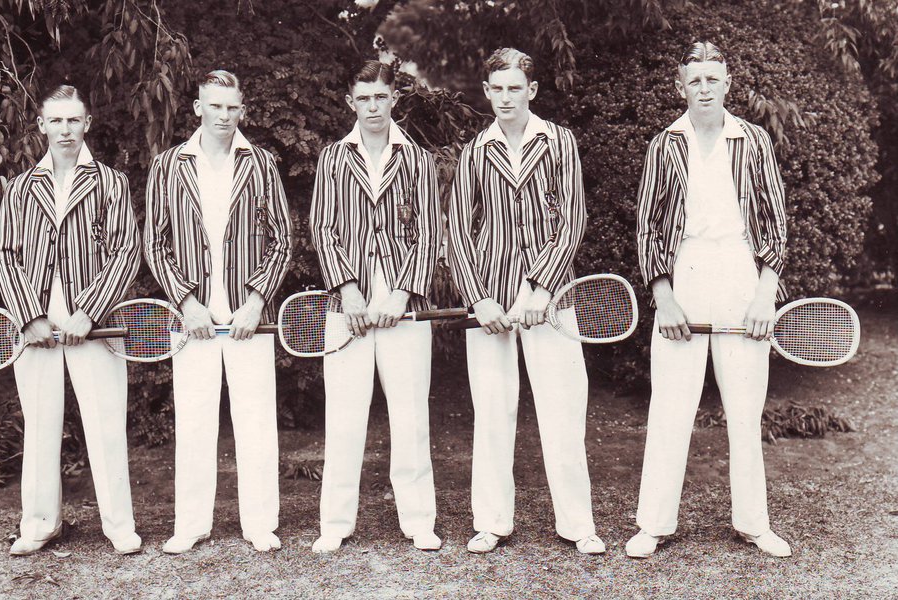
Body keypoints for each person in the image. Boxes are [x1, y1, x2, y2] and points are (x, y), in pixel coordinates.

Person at [627, 41, 791, 559]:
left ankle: (753, 523)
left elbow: (775, 225)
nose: (703, 88)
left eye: (712, 79)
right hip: (686, 273)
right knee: (671, 407)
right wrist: (664, 297)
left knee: (745, 409)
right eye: (693, 80)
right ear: (680, 86)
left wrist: (765, 293)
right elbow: (649, 228)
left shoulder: (754, 141)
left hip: (742, 273)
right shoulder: (664, 144)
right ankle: (653, 524)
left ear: (727, 84)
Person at [446, 48, 603, 555]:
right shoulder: (474, 151)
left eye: (516, 88)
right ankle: (492, 521)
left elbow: (572, 220)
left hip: (550, 297)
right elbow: (457, 234)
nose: (506, 97)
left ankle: (578, 525)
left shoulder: (559, 141)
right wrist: (480, 299)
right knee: (492, 412)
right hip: (490, 299)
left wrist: (542, 287)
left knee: (562, 408)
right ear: (486, 92)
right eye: (498, 89)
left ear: (531, 91)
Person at [144, 70, 292, 554]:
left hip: (248, 319)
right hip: (193, 322)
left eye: (232, 107)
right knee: (194, 423)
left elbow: (282, 239)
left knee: (255, 423)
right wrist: (186, 302)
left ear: (242, 109)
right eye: (215, 106)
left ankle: (260, 524)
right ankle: (190, 525)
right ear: (197, 108)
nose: (224, 116)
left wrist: (256, 301)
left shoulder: (262, 163)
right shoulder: (169, 165)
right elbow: (154, 243)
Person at [0, 84, 142, 556]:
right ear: (41, 126)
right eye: (55, 121)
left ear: (87, 124)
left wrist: (89, 313)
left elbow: (126, 252)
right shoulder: (21, 187)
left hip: (91, 320)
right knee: (40, 423)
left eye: (73, 120)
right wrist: (30, 316)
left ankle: (119, 526)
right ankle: (39, 525)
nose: (64, 129)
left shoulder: (110, 182)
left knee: (105, 423)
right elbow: (4, 254)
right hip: (35, 320)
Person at [309, 60, 442, 553]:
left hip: (402, 307)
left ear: (394, 100)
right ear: (351, 102)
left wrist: (401, 292)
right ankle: (335, 524)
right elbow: (322, 228)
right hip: (348, 307)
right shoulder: (332, 158)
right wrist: (348, 291)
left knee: (410, 417)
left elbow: (430, 232)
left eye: (380, 98)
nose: (372, 107)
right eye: (363, 98)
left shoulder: (418, 159)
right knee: (344, 418)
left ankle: (419, 521)